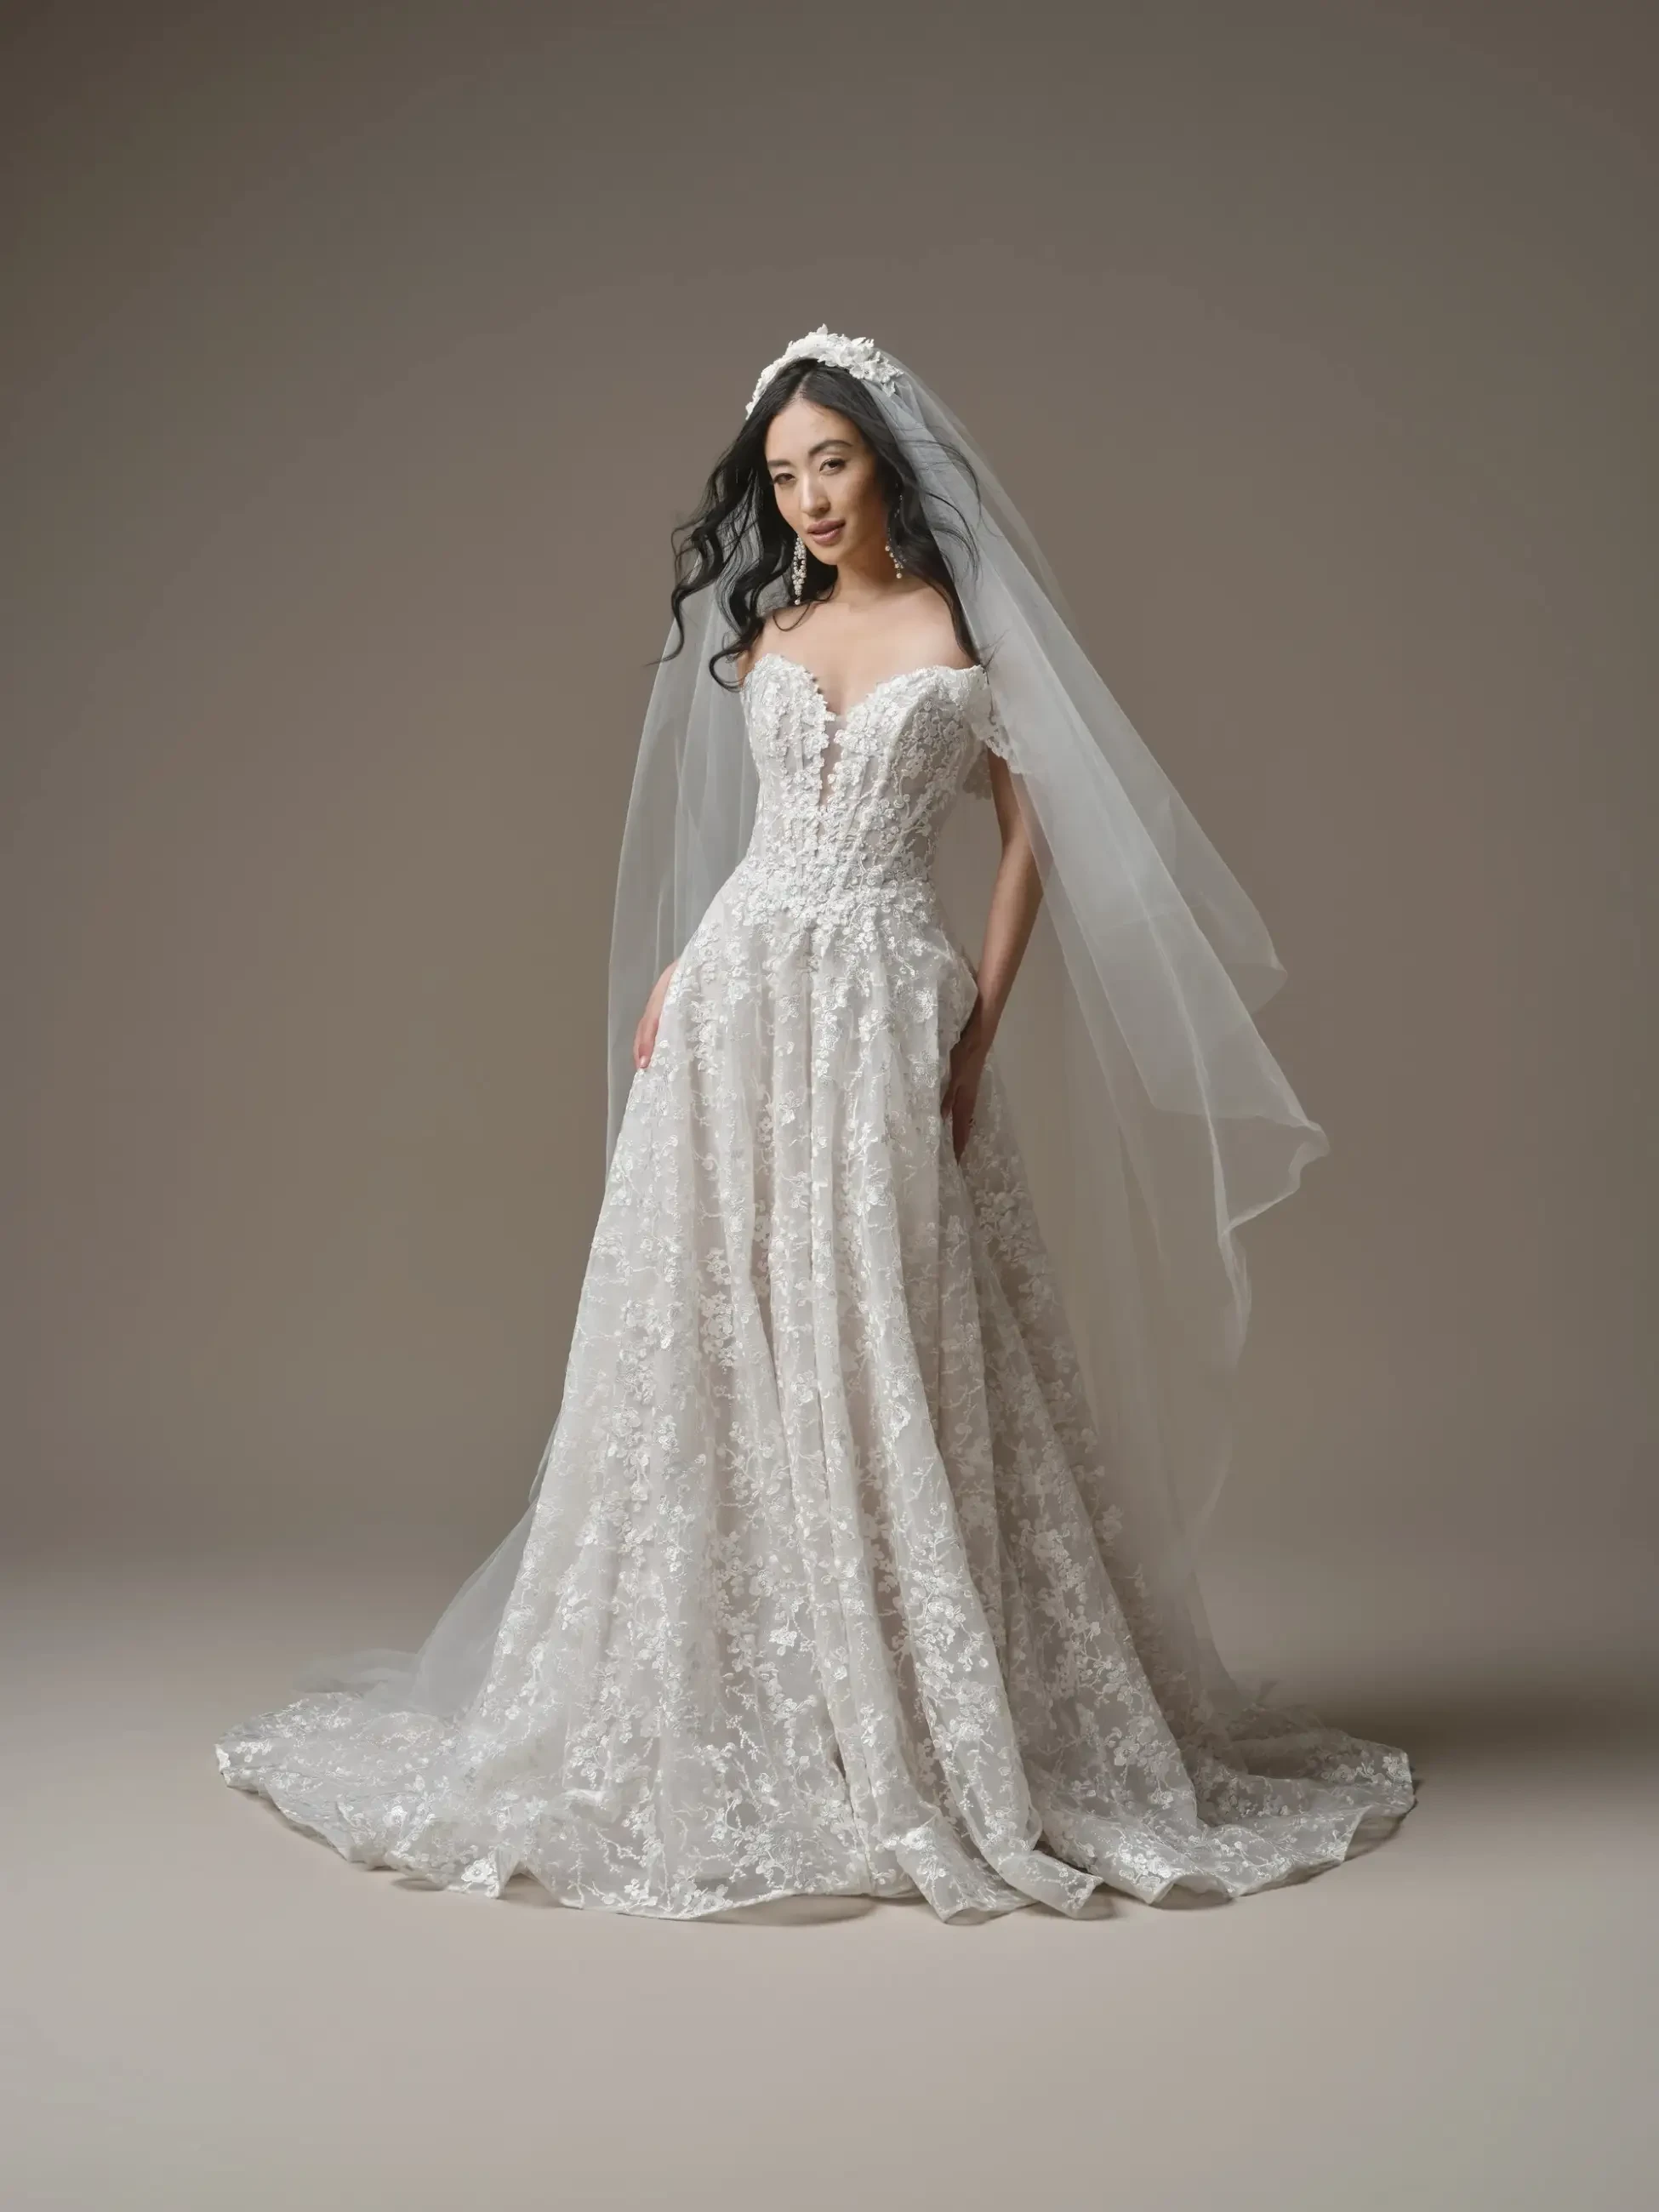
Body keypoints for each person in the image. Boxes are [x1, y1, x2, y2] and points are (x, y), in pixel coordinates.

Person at [217, 328, 1415, 1919]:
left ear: (883, 459)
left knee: (881, 1322)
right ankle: (730, 1684)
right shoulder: (771, 624)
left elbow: (1030, 837)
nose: (803, 502)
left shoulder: (958, 629)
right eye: (779, 479)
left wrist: (979, 1024)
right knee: (709, 1326)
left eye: (827, 464)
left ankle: (916, 1699)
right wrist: (676, 978)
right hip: (737, 995)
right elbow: (762, 842)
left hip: (875, 1003)